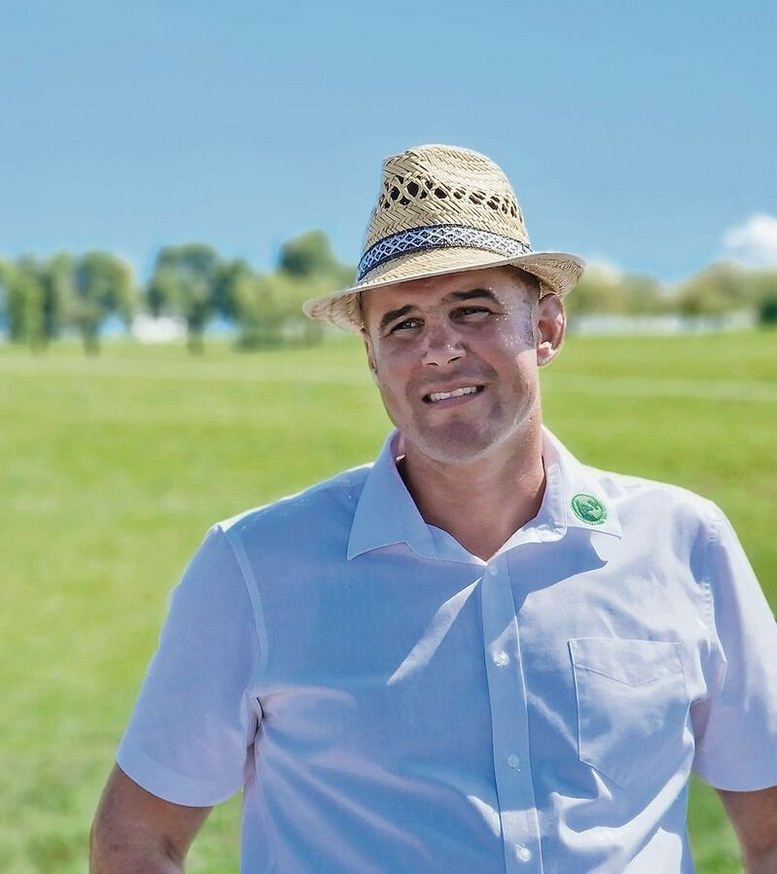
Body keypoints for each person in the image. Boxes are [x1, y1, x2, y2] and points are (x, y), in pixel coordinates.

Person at [90, 145, 777, 872]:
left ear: (546, 327)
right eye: (403, 325)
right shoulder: (254, 568)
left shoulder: (683, 544)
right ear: (371, 356)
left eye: (472, 311)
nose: (440, 350)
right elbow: (138, 839)